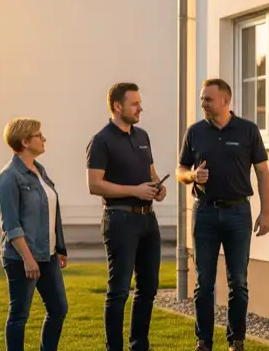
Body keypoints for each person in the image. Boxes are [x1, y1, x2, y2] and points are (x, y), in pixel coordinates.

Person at [176, 78, 269, 351]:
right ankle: (203, 342)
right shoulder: (194, 132)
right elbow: (181, 170)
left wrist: (265, 213)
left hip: (238, 214)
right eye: (202, 98)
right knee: (203, 282)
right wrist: (193, 175)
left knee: (238, 282)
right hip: (204, 213)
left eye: (208, 99)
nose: (203, 103)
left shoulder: (247, 130)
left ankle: (236, 341)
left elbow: (263, 172)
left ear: (225, 101)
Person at [86, 82, 168, 351]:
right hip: (119, 220)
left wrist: (158, 187)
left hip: (148, 220)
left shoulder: (142, 136)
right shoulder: (101, 141)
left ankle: (139, 346)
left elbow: (151, 173)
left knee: (148, 288)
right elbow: (95, 185)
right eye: (135, 103)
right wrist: (135, 190)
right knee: (119, 290)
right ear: (117, 106)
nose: (140, 108)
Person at [0, 118, 69, 351]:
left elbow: (51, 211)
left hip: (46, 255)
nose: (44, 138)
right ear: (25, 141)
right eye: (39, 135)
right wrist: (28, 259)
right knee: (19, 314)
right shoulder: (9, 176)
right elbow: (11, 224)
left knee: (58, 308)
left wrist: (58, 248)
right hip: (21, 257)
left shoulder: (39, 170)